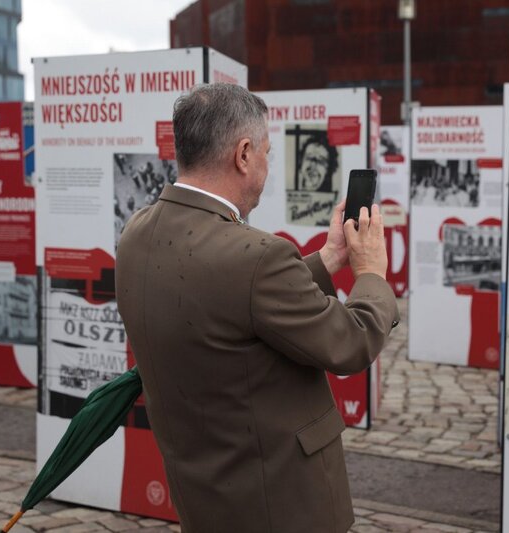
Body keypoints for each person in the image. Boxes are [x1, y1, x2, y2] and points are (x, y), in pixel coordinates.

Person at [115, 83, 398, 533]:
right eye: (267, 152)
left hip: (204, 493)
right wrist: (371, 273)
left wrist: (329, 258)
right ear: (244, 155)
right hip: (280, 504)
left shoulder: (137, 233)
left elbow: (231, 298)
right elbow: (350, 343)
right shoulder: (257, 256)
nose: (267, 165)